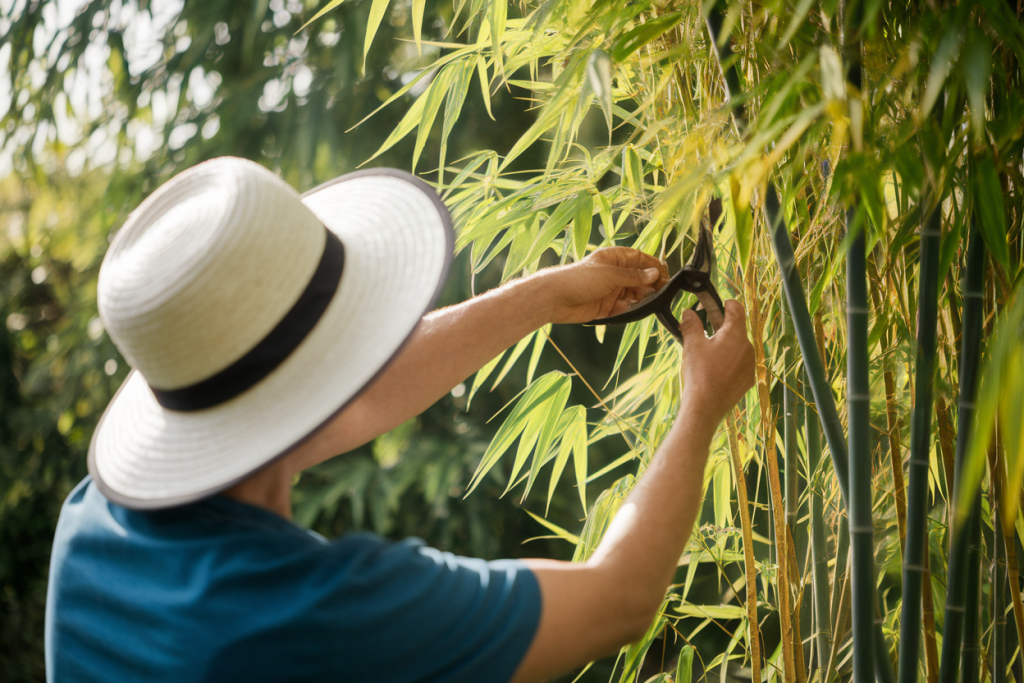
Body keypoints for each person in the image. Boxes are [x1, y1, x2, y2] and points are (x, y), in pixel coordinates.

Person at [45, 157, 755, 683]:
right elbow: (621, 598)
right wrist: (702, 408)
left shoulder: (93, 527)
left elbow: (353, 395)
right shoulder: (316, 612)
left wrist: (543, 296)